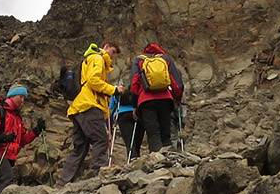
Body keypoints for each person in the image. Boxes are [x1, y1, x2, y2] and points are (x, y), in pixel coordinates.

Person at [58, 42, 119, 184]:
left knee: (80, 147)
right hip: (89, 106)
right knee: (100, 139)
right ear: (106, 46)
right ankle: (101, 175)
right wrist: (113, 89)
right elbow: (93, 81)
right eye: (113, 51)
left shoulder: (89, 59)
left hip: (79, 107)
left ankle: (63, 182)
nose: (113, 55)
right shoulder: (98, 58)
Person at [128, 43, 186, 153]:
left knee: (153, 132)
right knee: (166, 131)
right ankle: (169, 158)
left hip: (146, 101)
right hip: (165, 99)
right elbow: (177, 83)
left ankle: (156, 159)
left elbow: (134, 84)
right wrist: (176, 98)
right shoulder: (165, 59)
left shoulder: (139, 60)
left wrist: (134, 105)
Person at [110, 90, 141, 161]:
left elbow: (110, 108)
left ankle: (132, 159)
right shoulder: (135, 88)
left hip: (122, 115)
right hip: (138, 114)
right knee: (137, 141)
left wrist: (109, 125)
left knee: (129, 141)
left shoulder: (116, 90)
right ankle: (138, 159)